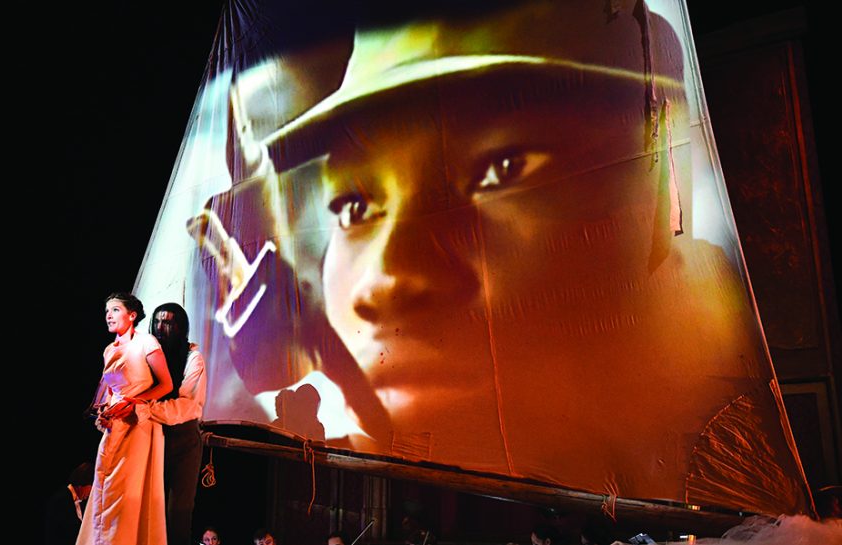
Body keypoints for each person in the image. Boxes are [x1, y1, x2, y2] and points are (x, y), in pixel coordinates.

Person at [185, 0, 811, 514]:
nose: (386, 280)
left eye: (506, 168)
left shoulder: (732, 419)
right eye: (353, 205)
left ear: (659, 156)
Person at [77, 292, 174, 545]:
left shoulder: (146, 342)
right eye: (107, 311)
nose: (109, 315)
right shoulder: (109, 350)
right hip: (114, 425)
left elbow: (165, 384)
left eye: (115, 310)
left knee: (128, 490)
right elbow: (107, 391)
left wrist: (134, 402)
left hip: (139, 423)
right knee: (105, 485)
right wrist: (103, 412)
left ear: (132, 315)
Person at [149, 302, 208, 545]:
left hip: (183, 440)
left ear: (181, 327)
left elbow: (188, 406)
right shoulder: (147, 355)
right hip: (152, 436)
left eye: (169, 322)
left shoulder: (193, 357)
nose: (162, 328)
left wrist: (146, 409)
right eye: (158, 322)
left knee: (178, 511)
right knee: (151, 508)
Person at [44, 462, 93, 545]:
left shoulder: (78, 502)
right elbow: (66, 532)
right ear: (82, 484)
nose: (90, 493)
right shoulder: (61, 500)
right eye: (91, 487)